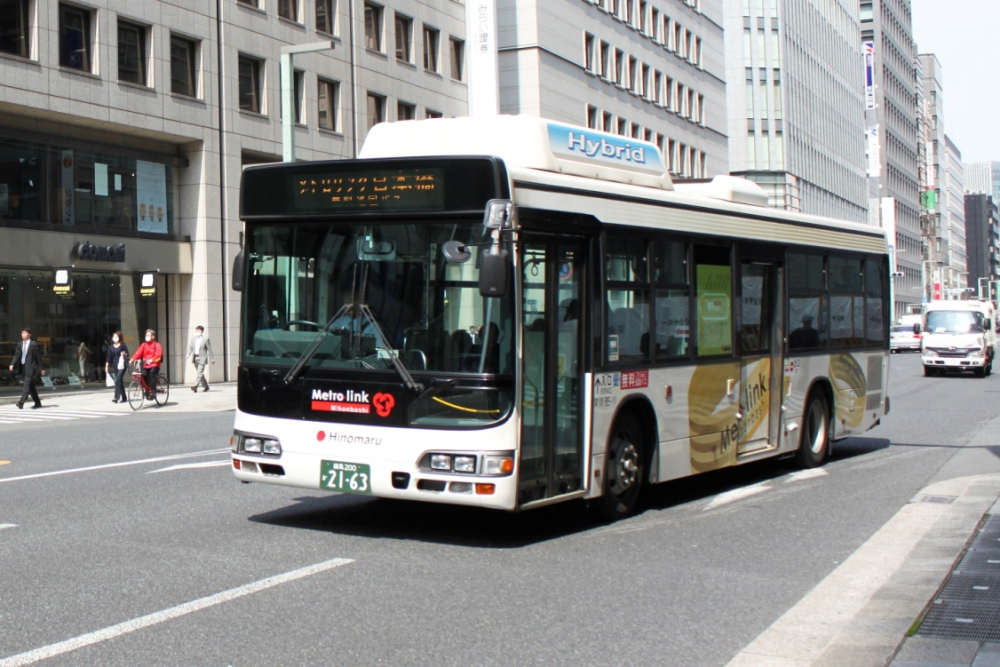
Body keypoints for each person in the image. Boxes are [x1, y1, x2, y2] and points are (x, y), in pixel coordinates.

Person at [9, 327, 44, 409]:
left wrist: (42, 368)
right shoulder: (20, 344)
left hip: (31, 367)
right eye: (22, 333)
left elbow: (38, 357)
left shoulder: (33, 344)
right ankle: (37, 403)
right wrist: (12, 364)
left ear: (29, 334)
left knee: (26, 385)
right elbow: (17, 355)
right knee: (31, 386)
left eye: (25, 333)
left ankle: (21, 403)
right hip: (23, 367)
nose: (23, 335)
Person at [132, 329, 163, 398]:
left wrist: (152, 360)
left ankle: (153, 391)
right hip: (146, 365)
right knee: (143, 375)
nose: (147, 336)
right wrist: (132, 359)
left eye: (148, 335)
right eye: (146, 335)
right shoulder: (144, 345)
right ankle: (147, 390)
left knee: (152, 375)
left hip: (155, 364)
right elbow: (138, 353)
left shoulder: (157, 345)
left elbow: (158, 354)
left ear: (153, 337)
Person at [185, 325, 215, 392]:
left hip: (202, 358)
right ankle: (206, 386)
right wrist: (188, 354)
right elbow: (190, 347)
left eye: (198, 331)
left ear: (202, 331)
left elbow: (209, 349)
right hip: (195, 358)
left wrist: (212, 359)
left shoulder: (205, 339)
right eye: (196, 331)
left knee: (199, 373)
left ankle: (195, 386)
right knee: (200, 374)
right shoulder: (193, 339)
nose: (197, 332)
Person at [104, 332, 130, 404]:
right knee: (119, 381)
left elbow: (127, 354)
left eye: (116, 336)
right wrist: (106, 366)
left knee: (118, 379)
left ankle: (116, 397)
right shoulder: (111, 347)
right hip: (115, 365)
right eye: (114, 336)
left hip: (122, 365)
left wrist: (124, 354)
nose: (115, 338)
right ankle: (124, 397)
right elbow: (108, 357)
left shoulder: (123, 345)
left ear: (119, 337)